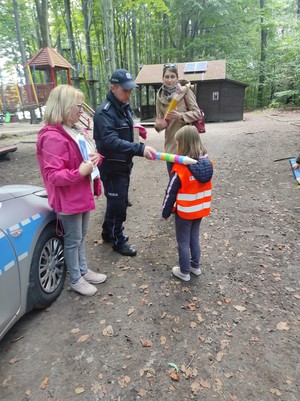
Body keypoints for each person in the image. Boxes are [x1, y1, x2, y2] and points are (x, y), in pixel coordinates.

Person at [36, 84, 107, 297]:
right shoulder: (52, 137)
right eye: (78, 105)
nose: (81, 110)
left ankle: (83, 270)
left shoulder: (73, 130)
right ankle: (76, 278)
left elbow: (88, 156)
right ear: (64, 106)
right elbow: (53, 176)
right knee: (73, 238)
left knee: (82, 235)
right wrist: (80, 171)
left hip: (80, 194)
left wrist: (97, 158)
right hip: (68, 199)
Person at [93, 69, 157, 257]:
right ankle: (118, 239)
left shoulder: (123, 106)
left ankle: (108, 232)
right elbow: (109, 141)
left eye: (130, 90)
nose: (129, 94)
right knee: (118, 205)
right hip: (112, 167)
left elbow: (126, 133)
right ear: (113, 88)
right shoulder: (104, 113)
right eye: (125, 90)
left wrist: (139, 142)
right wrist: (139, 149)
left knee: (116, 201)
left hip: (123, 164)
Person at [162, 125, 213, 282]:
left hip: (185, 212)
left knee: (183, 241)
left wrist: (165, 211)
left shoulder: (181, 168)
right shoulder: (208, 164)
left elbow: (170, 192)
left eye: (178, 143)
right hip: (200, 209)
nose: (177, 146)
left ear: (183, 144)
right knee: (194, 238)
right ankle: (195, 266)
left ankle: (184, 271)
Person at [155, 63, 202, 175]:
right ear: (162, 78)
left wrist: (181, 116)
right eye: (167, 77)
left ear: (177, 78)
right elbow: (159, 120)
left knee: (189, 181)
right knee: (174, 180)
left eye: (172, 76)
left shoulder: (185, 92)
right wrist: (158, 125)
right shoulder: (160, 96)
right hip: (171, 145)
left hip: (187, 144)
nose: (169, 80)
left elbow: (197, 113)